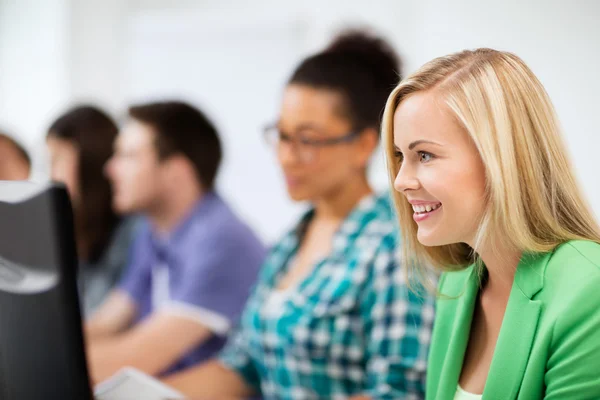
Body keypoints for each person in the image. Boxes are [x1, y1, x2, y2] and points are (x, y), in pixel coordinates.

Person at [164, 30, 435, 400]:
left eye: (307, 140)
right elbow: (242, 365)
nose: (286, 156)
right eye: (282, 135)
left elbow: (399, 391)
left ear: (364, 144)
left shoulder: (394, 244)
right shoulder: (291, 241)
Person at [384, 48, 600, 399]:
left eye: (424, 155)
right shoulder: (457, 285)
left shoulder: (590, 290)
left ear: (501, 157)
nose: (401, 180)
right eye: (399, 156)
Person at [85, 100, 266, 383]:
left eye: (128, 156)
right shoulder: (152, 229)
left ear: (176, 171)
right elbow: (109, 321)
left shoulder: (221, 240)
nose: (110, 169)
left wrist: (33, 362)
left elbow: (131, 359)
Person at [47, 106, 136, 316]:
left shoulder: (135, 229)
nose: (51, 173)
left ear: (89, 159)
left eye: (57, 159)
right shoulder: (77, 227)